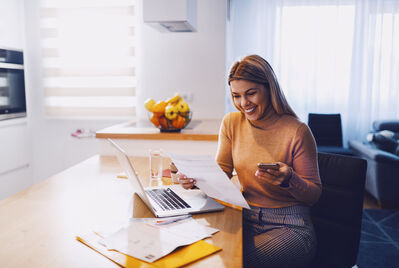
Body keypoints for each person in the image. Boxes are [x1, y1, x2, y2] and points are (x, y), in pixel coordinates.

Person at [179, 54, 322, 268]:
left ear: (269, 88)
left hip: (291, 226)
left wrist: (289, 179)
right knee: (197, 251)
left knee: (233, 262)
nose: (244, 103)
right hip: (244, 216)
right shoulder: (231, 123)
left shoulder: (297, 131)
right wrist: (196, 178)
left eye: (251, 93)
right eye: (236, 96)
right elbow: (222, 172)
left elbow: (314, 195)